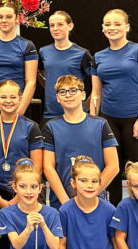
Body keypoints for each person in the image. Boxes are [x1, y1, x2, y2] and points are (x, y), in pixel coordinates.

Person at [90, 9, 138, 182]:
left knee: (137, 172)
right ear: (102, 28)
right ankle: (112, 201)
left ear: (127, 27)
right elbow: (96, 93)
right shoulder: (98, 56)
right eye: (108, 24)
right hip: (108, 119)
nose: (112, 28)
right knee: (111, 171)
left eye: (117, 24)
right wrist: (92, 122)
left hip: (134, 118)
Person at [0, 79, 43, 249]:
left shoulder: (31, 127)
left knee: (23, 246)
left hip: (24, 191)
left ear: (20, 99)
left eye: (13, 97)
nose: (8, 101)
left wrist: (18, 196)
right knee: (0, 248)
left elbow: (37, 167)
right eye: (3, 97)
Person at [43, 75, 120, 208]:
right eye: (62, 92)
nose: (68, 95)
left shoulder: (101, 124)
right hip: (62, 203)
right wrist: (66, 203)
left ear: (83, 95)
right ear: (57, 98)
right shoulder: (51, 127)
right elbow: (48, 167)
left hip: (95, 202)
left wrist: (92, 194)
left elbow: (113, 166)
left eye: (73, 90)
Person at [57, 156, 122, 249]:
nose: (89, 185)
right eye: (83, 180)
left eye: (94, 181)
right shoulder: (65, 210)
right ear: (73, 183)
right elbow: (61, 244)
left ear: (100, 183)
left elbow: (116, 243)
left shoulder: (109, 210)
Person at [38, 11, 96, 122]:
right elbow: (40, 74)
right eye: (52, 25)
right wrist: (51, 88)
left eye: (60, 24)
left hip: (75, 115)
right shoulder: (43, 51)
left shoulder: (82, 54)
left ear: (70, 26)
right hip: (50, 114)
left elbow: (98, 83)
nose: (55, 28)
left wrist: (86, 106)